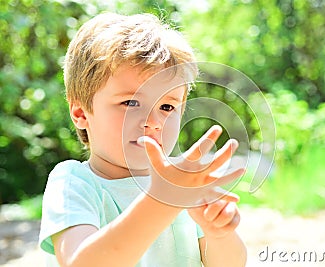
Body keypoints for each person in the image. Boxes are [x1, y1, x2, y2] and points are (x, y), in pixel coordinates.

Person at [39, 12, 247, 267]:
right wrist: (161, 200)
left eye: (167, 107)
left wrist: (219, 233)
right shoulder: (74, 182)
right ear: (81, 113)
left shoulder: (181, 181)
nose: (153, 120)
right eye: (130, 102)